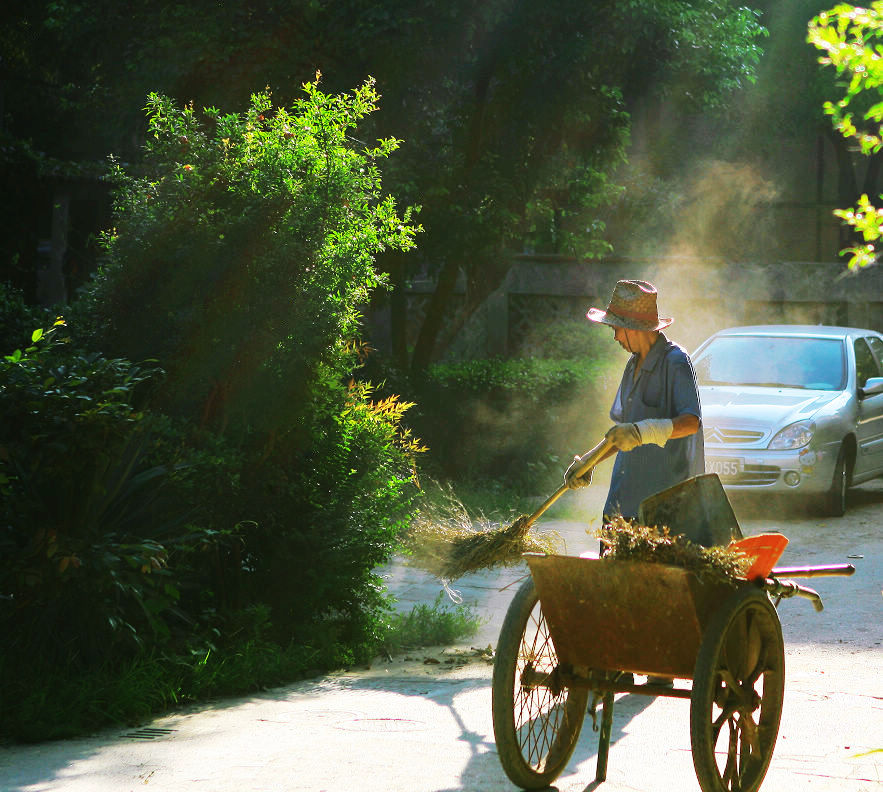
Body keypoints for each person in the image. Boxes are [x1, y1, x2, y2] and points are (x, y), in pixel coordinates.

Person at [565, 279, 704, 521]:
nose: (615, 337)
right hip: (621, 506)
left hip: (662, 511)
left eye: (616, 329)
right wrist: (590, 460)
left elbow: (691, 422)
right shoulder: (632, 365)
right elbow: (623, 435)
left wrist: (644, 431)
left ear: (633, 327)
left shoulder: (676, 362)